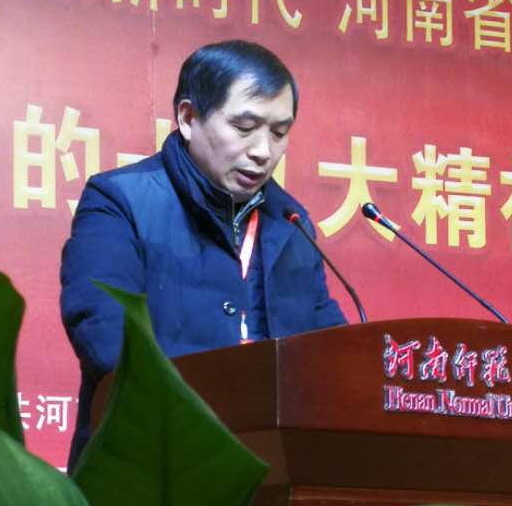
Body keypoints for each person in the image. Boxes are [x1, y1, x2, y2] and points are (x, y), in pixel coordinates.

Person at [59, 39, 346, 466]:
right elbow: (108, 342)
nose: (263, 151)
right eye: (245, 127)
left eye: (279, 132)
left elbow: (332, 354)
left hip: (276, 478)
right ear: (188, 118)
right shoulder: (120, 202)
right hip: (150, 469)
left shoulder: (291, 223)